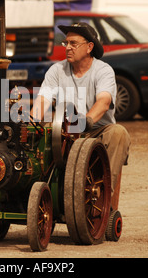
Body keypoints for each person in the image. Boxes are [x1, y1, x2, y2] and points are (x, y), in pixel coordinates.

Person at [31, 22, 130, 198]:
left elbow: (104, 101)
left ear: (89, 47)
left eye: (73, 43)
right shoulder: (57, 70)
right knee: (38, 137)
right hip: (65, 133)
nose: (68, 47)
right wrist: (28, 125)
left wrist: (86, 121)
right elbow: (42, 101)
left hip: (95, 130)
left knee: (118, 133)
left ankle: (103, 197)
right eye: (66, 43)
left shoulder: (103, 70)